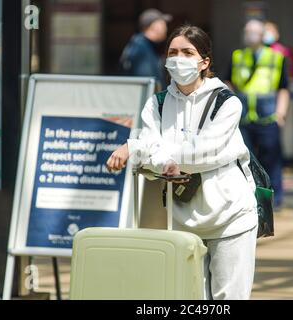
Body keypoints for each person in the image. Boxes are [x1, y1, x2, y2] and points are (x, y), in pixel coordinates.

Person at [107, 25, 258, 300]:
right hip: (181, 220)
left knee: (229, 298)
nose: (179, 58)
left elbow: (205, 151)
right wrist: (144, 148)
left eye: (187, 52)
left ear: (204, 62)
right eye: (173, 52)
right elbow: (151, 154)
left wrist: (140, 146)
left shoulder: (226, 102)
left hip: (231, 217)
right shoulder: (158, 104)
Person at [224, 19, 290, 210]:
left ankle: (274, 201)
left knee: (272, 160)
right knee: (244, 160)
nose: (250, 35)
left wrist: (281, 114)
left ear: (263, 34)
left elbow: (283, 88)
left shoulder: (276, 57)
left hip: (268, 117)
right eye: (247, 31)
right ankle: (248, 200)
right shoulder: (237, 56)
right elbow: (228, 82)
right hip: (244, 118)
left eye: (254, 32)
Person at [119, 8, 172, 90]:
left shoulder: (141, 44)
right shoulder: (141, 49)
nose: (166, 27)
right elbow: (148, 85)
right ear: (155, 26)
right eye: (163, 23)